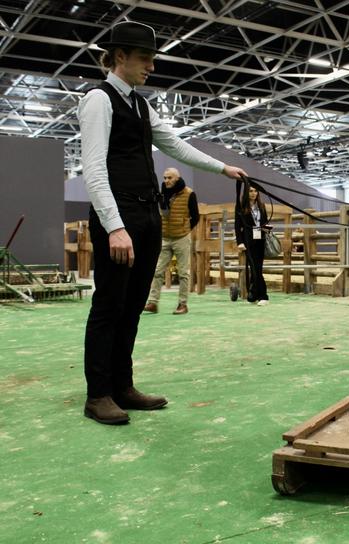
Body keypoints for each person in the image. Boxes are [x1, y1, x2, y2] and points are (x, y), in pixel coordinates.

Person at [78, 21, 247, 425]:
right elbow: (94, 169)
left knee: (134, 305)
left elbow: (175, 144)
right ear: (120, 57)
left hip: (146, 215)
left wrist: (223, 167)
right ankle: (97, 394)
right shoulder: (98, 100)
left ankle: (123, 385)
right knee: (109, 305)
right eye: (144, 58)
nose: (151, 66)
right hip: (118, 216)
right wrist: (114, 226)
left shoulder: (140, 103)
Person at [143, 167, 197, 315]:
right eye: (165, 178)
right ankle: (153, 303)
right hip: (165, 238)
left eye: (169, 178)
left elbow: (196, 216)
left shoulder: (189, 194)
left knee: (183, 273)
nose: (166, 180)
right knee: (157, 271)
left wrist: (184, 229)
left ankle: (183, 304)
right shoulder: (161, 194)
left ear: (177, 179)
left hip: (182, 237)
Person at [235, 184, 270, 305]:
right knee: (254, 268)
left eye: (255, 191)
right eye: (250, 191)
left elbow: (264, 222)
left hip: (261, 239)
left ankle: (254, 294)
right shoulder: (240, 206)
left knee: (258, 268)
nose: (253, 193)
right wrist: (239, 242)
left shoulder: (262, 206)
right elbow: (237, 225)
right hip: (248, 240)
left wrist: (267, 230)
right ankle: (263, 296)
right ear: (246, 193)